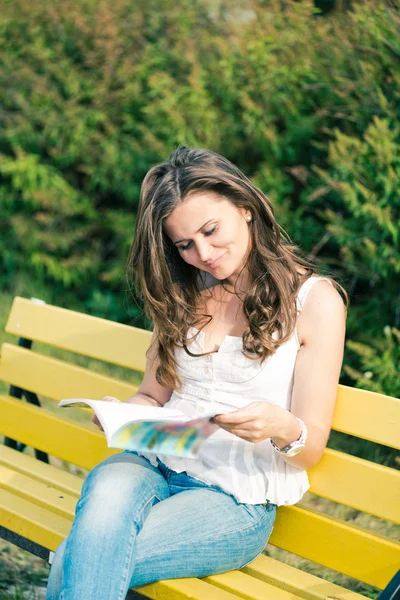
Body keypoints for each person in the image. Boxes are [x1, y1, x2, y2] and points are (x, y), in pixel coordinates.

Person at [46, 146, 347, 600]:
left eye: (210, 231)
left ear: (245, 208)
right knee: (105, 498)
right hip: (154, 461)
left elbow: (310, 447)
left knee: (78, 558)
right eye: (184, 244)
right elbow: (153, 396)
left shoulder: (314, 301)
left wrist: (279, 426)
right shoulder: (183, 295)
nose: (202, 253)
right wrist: (125, 413)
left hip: (232, 498)